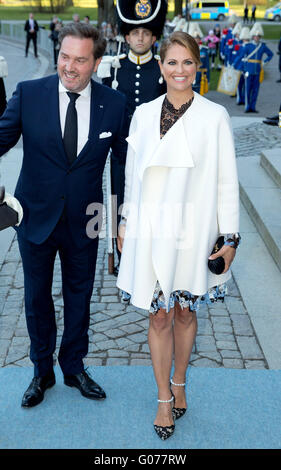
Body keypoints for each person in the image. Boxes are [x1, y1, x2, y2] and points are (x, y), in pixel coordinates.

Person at [117, 31, 240, 440]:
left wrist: (230, 238)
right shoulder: (143, 114)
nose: (179, 70)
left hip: (193, 231)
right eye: (172, 62)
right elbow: (133, 176)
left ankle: (181, 382)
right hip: (152, 231)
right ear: (160, 66)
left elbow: (226, 181)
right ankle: (163, 399)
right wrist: (124, 221)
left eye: (188, 62)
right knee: (159, 314)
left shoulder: (214, 117)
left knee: (186, 311)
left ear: (198, 65)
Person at [0, 22, 128, 408]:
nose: (69, 67)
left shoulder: (114, 104)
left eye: (80, 60)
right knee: (36, 297)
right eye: (64, 56)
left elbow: (122, 168)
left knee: (79, 295)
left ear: (97, 62)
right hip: (34, 217)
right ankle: (42, 372)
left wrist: (122, 219)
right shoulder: (29, 94)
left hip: (85, 219)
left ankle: (73, 366)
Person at [98, 0, 167, 280]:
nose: (140, 37)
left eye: (146, 33)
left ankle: (150, 250)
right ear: (126, 36)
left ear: (154, 37)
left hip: (154, 152)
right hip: (120, 151)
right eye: (134, 32)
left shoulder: (163, 70)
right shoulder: (113, 68)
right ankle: (121, 248)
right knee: (119, 199)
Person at [238, 23, 273, 113]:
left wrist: (264, 62)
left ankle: (253, 107)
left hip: (257, 71)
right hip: (248, 71)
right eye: (255, 36)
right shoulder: (248, 46)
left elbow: (270, 54)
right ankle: (247, 107)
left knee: (255, 90)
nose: (257, 37)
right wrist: (243, 69)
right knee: (247, 89)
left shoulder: (262, 46)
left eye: (258, 36)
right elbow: (242, 58)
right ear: (252, 36)